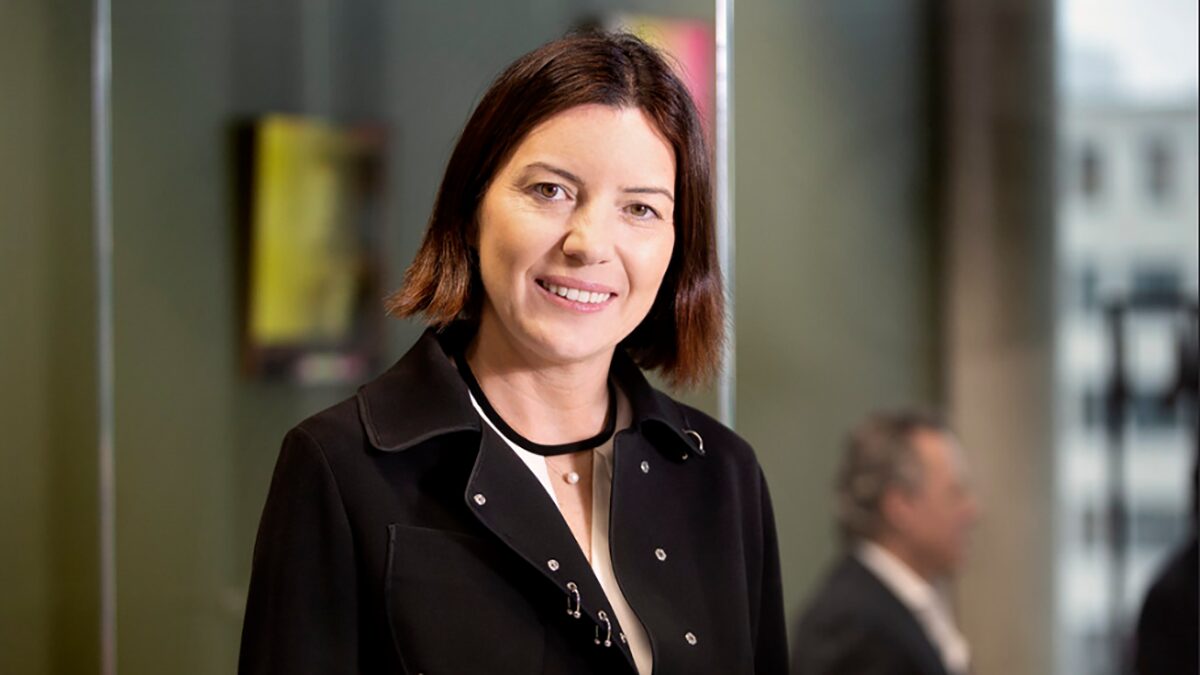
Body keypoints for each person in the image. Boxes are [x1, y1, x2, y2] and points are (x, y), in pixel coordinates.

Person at [239, 31, 788, 675]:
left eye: (640, 208)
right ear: (472, 209)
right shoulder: (340, 467)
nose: (589, 244)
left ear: (677, 244)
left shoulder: (723, 477)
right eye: (551, 191)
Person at [791, 411, 979, 675]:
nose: (972, 511)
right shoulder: (851, 625)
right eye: (954, 493)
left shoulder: (903, 606)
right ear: (900, 505)